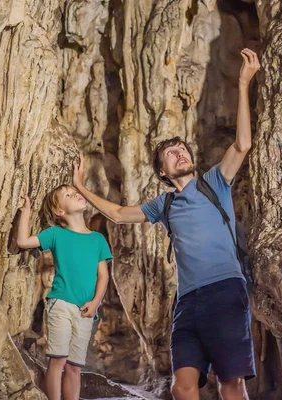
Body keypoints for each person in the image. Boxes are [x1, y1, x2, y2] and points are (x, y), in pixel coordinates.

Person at [72, 48, 261, 400]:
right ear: (162, 171)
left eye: (183, 149)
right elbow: (117, 213)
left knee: (230, 383)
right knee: (182, 385)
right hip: (188, 302)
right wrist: (81, 188)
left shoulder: (215, 182)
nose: (181, 153)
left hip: (225, 291)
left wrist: (243, 83)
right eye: (172, 153)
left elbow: (243, 143)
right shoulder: (164, 203)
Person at [17, 185, 112, 400]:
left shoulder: (98, 239)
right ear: (59, 211)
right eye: (68, 195)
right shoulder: (56, 234)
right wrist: (26, 212)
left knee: (74, 367)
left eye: (75, 191)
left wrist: (96, 302)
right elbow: (23, 242)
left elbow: (103, 276)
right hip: (60, 303)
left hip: (86, 309)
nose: (76, 194)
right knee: (57, 360)